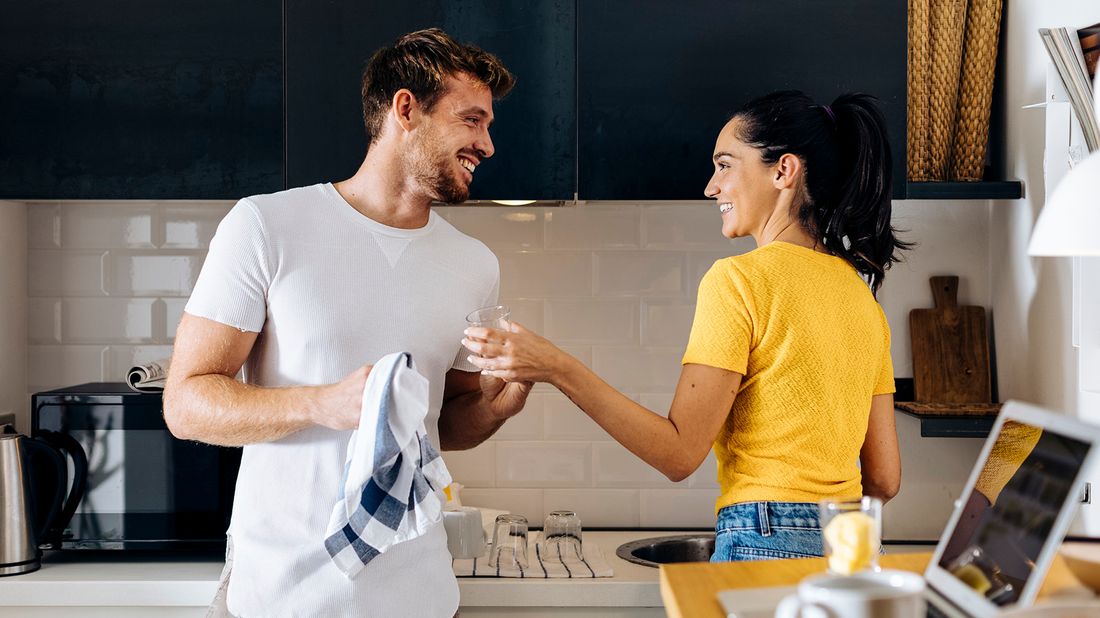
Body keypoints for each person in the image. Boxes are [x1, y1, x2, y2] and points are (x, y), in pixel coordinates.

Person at [163, 28, 531, 617]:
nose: (487, 145)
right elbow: (185, 404)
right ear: (406, 109)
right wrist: (321, 404)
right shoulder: (266, 226)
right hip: (281, 597)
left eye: (488, 126)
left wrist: (496, 404)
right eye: (472, 121)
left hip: (420, 597)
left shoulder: (473, 264)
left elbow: (445, 425)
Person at [463, 90, 909, 562]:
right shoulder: (862, 299)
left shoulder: (739, 281)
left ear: (783, 171)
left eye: (725, 165)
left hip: (766, 541)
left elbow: (679, 454)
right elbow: (883, 479)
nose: (711, 187)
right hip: (854, 547)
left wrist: (557, 367)